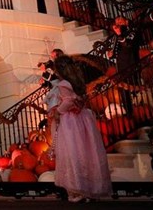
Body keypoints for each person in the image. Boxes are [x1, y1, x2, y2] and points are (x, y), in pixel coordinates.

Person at [47, 55, 112, 202]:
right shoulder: (77, 81)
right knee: (86, 153)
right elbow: (79, 99)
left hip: (70, 121)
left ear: (60, 70)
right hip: (82, 119)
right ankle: (90, 190)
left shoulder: (63, 83)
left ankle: (77, 191)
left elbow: (68, 100)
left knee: (73, 153)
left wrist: (58, 111)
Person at [107, 17, 140, 117]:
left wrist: (119, 35)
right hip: (120, 64)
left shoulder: (131, 31)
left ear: (126, 22)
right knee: (123, 89)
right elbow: (115, 50)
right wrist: (111, 54)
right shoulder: (116, 36)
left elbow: (128, 45)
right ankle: (129, 112)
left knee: (133, 86)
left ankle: (138, 110)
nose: (118, 24)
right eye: (117, 22)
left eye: (120, 21)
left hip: (130, 62)